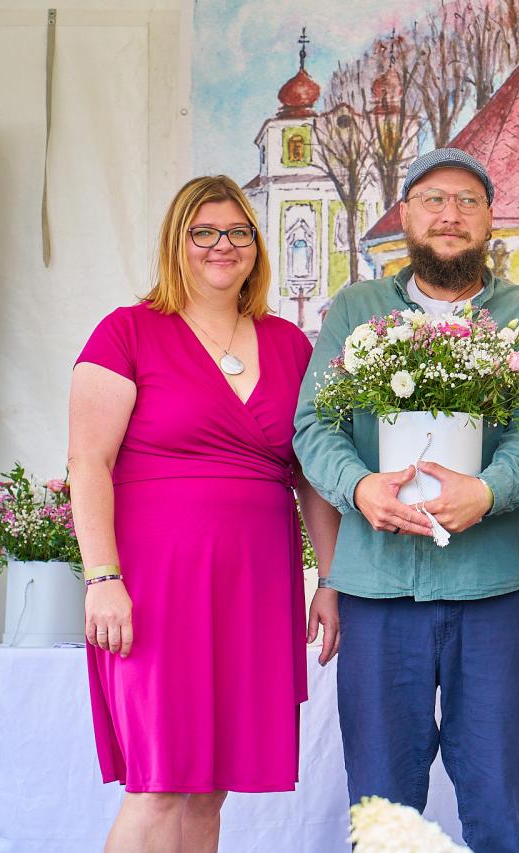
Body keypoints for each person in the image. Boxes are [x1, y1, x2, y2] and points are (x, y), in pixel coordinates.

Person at [292, 148, 519, 853]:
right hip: (377, 591)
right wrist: (359, 486)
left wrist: (488, 491)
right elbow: (314, 426)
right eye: (434, 200)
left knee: (498, 807)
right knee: (384, 812)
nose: (450, 215)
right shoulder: (356, 309)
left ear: (489, 220)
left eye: (468, 201)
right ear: (407, 215)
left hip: (492, 589)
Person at [69, 175, 342, 853]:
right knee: (159, 783)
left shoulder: (290, 344)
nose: (224, 245)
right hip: (155, 585)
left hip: (254, 583)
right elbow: (88, 462)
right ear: (177, 242)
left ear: (257, 245)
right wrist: (102, 577)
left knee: (210, 784)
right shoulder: (127, 331)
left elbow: (310, 476)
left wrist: (331, 579)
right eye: (205, 232)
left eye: (239, 231)